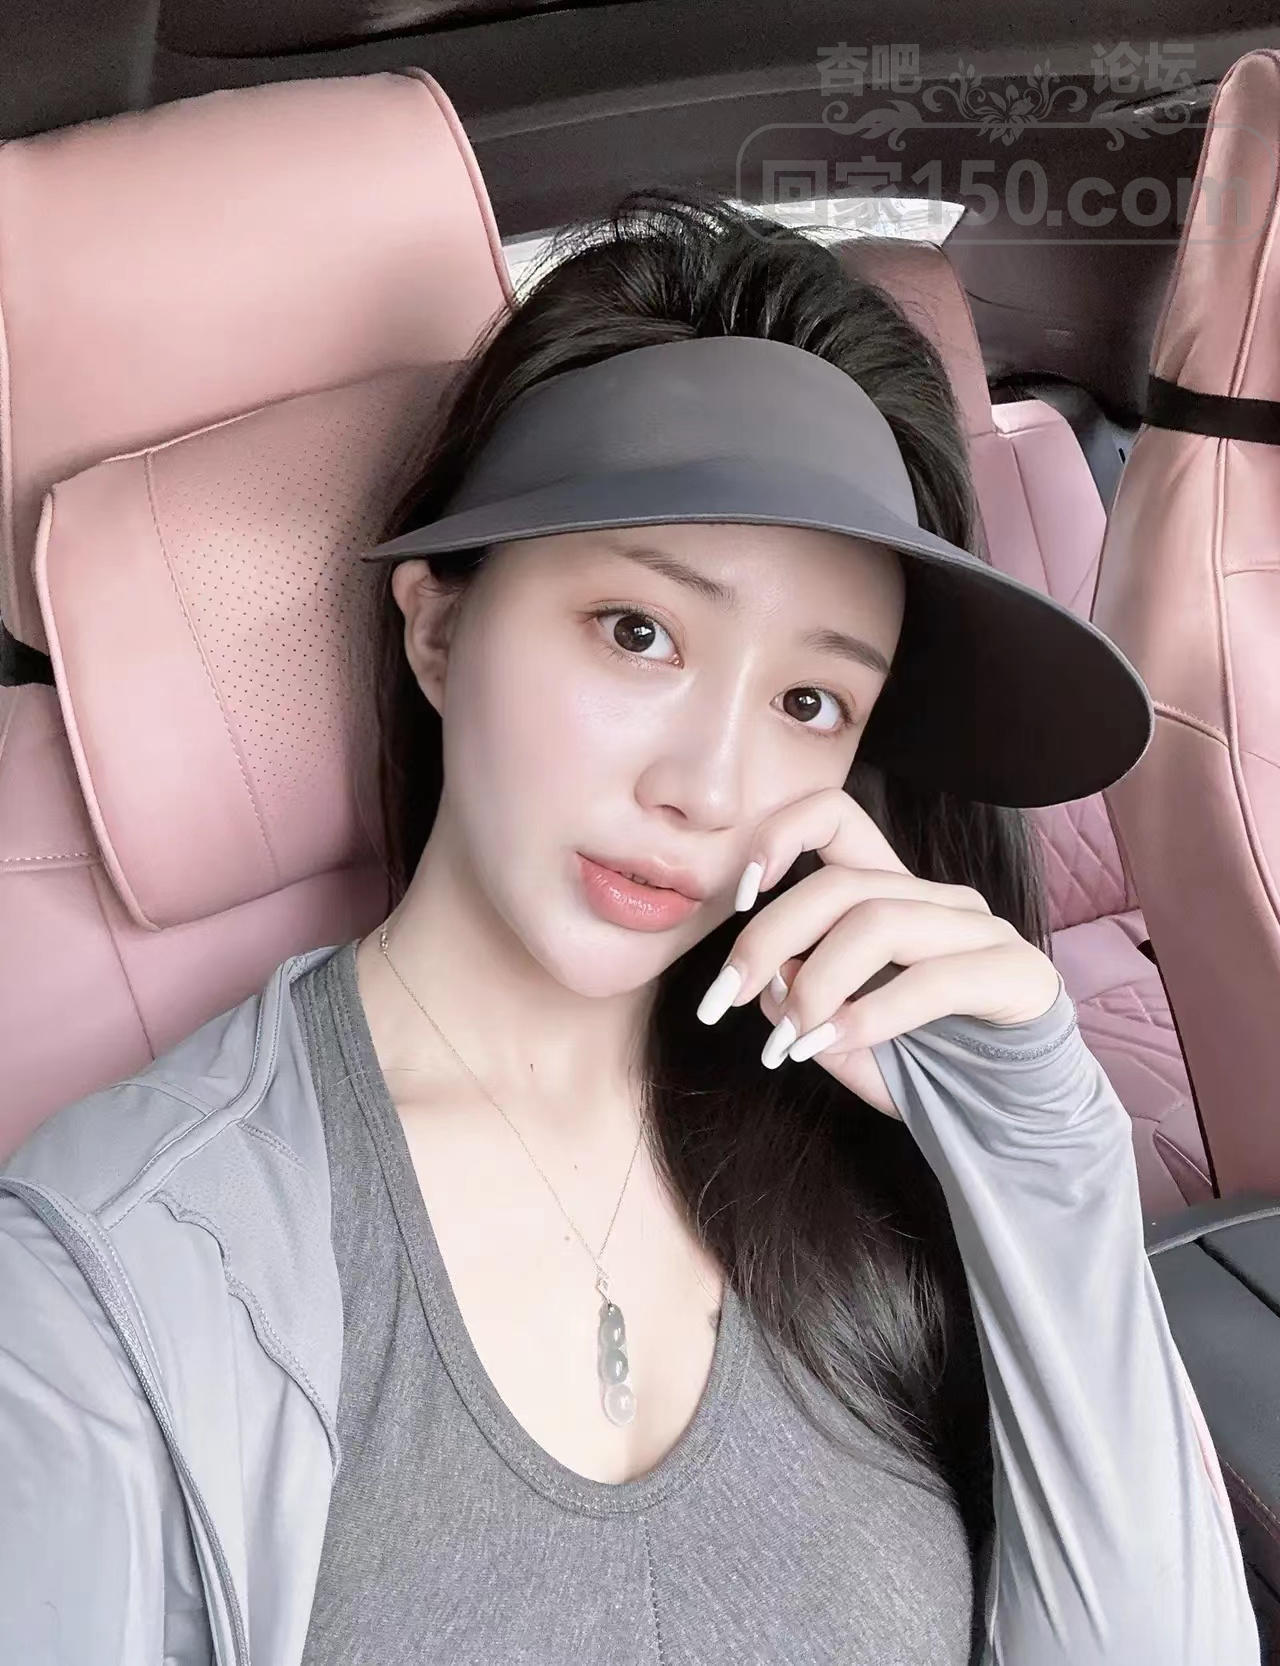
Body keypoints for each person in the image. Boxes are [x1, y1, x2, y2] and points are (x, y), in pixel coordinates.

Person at [0, 189, 1260, 1666]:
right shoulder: (117, 1268)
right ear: (439, 627)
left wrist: (1043, 1162)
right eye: (638, 631)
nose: (706, 788)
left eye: (809, 701)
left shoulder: (881, 1155)